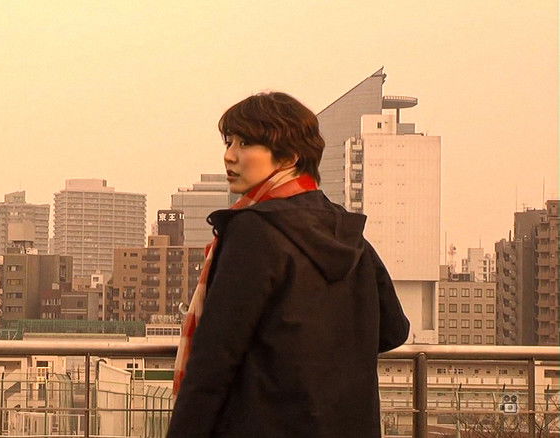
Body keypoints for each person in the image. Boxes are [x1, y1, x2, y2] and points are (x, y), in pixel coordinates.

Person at [166, 92, 410, 437]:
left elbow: (215, 358)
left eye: (245, 143)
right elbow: (394, 330)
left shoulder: (253, 229)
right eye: (229, 141)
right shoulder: (344, 228)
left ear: (289, 157)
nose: (229, 155)